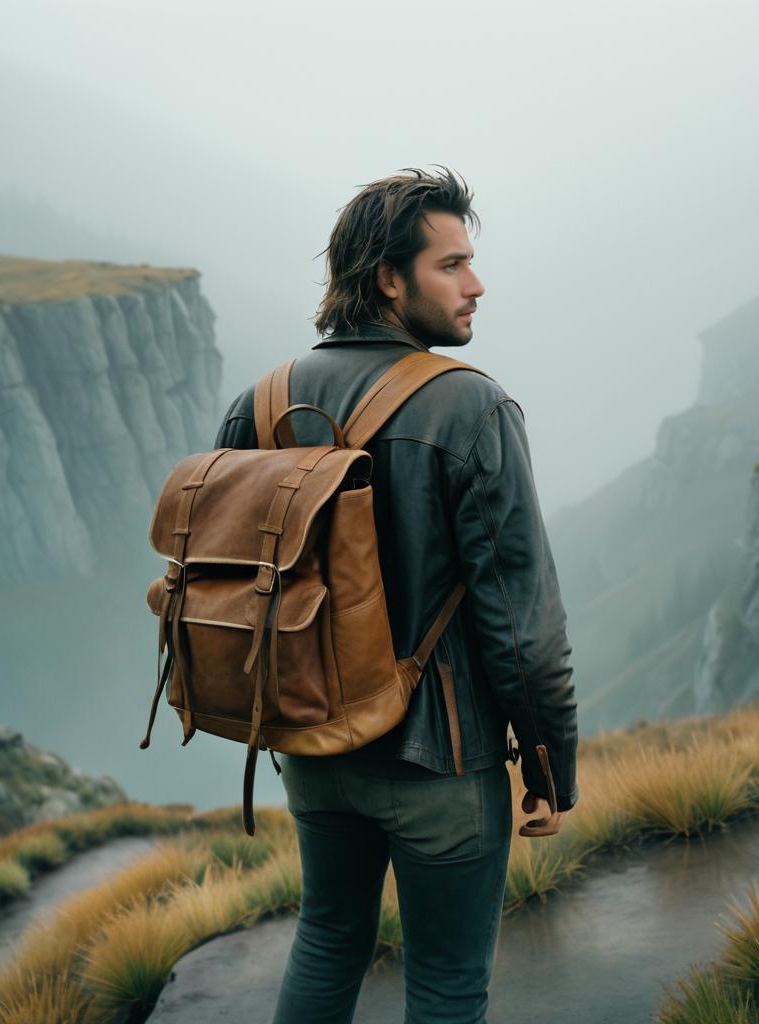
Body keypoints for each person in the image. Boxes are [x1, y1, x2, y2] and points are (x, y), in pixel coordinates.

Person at [213, 167, 578, 1024]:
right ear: (388, 278)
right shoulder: (470, 408)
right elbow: (521, 625)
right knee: (447, 983)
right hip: (442, 766)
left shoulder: (256, 404)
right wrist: (550, 766)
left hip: (311, 750)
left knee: (328, 938)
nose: (476, 284)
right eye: (451, 264)